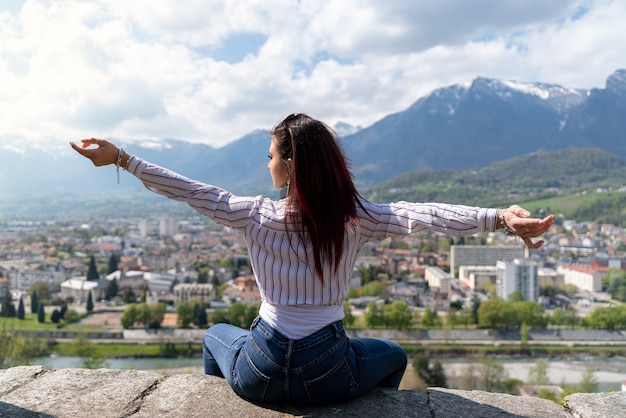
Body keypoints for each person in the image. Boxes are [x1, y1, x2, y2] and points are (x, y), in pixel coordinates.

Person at [70, 113, 554, 405]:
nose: (267, 163)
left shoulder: (253, 215)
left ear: (291, 163)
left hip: (257, 369)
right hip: (329, 371)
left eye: (270, 155)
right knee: (394, 356)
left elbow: (191, 191)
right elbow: (423, 214)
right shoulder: (357, 218)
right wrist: (497, 219)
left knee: (215, 337)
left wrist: (122, 159)